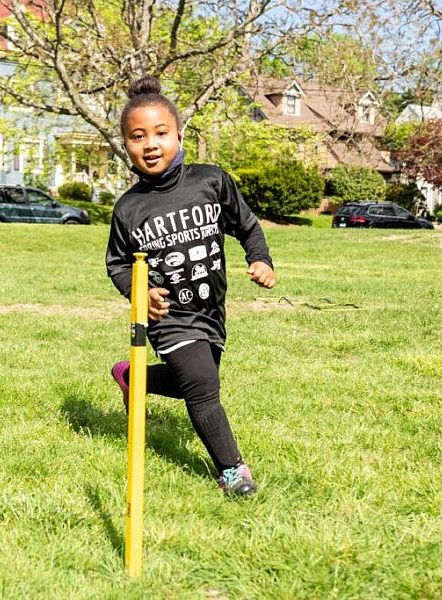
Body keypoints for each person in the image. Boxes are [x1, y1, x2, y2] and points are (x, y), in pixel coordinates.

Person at [106, 76, 276, 497]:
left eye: (160, 133)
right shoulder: (129, 208)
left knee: (195, 382)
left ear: (178, 135)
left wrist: (260, 260)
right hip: (170, 317)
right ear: (126, 145)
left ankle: (134, 377)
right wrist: (140, 294)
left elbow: (248, 227)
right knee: (203, 387)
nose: (150, 144)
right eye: (137, 136)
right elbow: (117, 263)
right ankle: (232, 471)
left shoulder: (211, 181)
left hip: (210, 310)